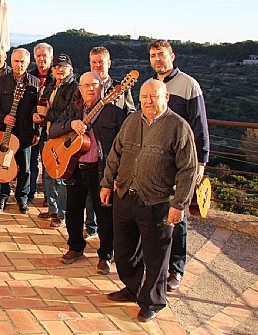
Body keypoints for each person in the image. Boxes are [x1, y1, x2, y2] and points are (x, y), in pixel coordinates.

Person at [101, 79, 197, 323]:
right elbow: (116, 152)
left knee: (156, 258)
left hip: (157, 202)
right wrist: (106, 182)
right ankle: (132, 288)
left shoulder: (178, 126)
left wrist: (179, 205)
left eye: (154, 96)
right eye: (144, 97)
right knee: (124, 251)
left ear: (166, 98)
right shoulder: (132, 120)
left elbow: (188, 169)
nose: (148, 101)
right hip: (125, 196)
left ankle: (152, 301)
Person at [148, 39, 210, 292]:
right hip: (155, 162)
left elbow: (200, 125)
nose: (157, 59)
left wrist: (201, 163)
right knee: (154, 214)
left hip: (181, 163)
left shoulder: (188, 85)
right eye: (152, 55)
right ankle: (156, 266)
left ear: (172, 55)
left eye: (161, 54)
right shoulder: (151, 85)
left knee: (178, 217)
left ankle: (176, 269)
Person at [50, 72, 126, 273]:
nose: (90, 89)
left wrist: (116, 176)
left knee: (104, 215)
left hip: (100, 171)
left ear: (102, 87)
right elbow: (53, 131)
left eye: (94, 85)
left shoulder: (114, 113)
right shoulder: (73, 111)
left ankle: (105, 256)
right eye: (85, 86)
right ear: (80, 89)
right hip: (74, 168)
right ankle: (75, 247)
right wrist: (70, 125)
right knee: (73, 210)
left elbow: (124, 146)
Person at [85, 46, 137, 240]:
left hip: (114, 150)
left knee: (110, 194)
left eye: (101, 62)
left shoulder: (120, 87)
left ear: (109, 63)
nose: (97, 65)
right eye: (94, 62)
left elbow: (131, 112)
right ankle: (91, 227)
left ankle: (111, 237)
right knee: (91, 192)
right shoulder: (85, 85)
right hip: (88, 149)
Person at [0, 48, 40, 214]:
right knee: (3, 165)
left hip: (25, 133)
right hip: (5, 132)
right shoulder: (2, 81)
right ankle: (1, 197)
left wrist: (36, 131)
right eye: (16, 61)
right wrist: (3, 118)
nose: (19, 64)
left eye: (22, 61)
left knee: (25, 168)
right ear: (11, 61)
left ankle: (22, 198)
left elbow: (39, 110)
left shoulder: (35, 83)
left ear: (28, 62)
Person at [35, 54, 79, 227]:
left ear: (71, 69)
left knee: (60, 176)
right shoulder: (52, 85)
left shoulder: (74, 89)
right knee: (48, 174)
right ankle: (53, 208)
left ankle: (62, 213)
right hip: (48, 135)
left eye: (63, 67)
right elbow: (43, 106)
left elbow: (69, 115)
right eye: (56, 67)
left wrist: (47, 114)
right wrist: (38, 115)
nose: (60, 70)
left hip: (63, 137)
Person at [28, 43, 54, 202]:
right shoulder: (30, 76)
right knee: (31, 162)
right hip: (32, 126)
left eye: (44, 56)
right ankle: (29, 192)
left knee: (49, 163)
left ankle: (49, 195)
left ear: (51, 57)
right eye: (38, 56)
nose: (41, 59)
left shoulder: (58, 77)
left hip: (51, 127)